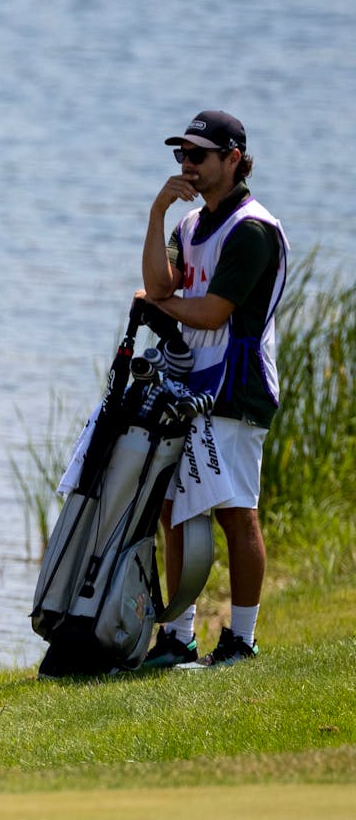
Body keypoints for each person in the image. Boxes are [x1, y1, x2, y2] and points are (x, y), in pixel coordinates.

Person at [137, 110, 289, 669]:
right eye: (181, 155)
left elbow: (210, 311)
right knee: (175, 508)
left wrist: (162, 305)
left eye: (198, 156)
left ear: (232, 159)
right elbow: (160, 283)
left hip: (237, 390)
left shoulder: (252, 230)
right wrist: (157, 213)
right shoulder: (186, 226)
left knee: (235, 514)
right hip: (191, 386)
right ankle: (178, 637)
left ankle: (242, 640)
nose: (187, 165)